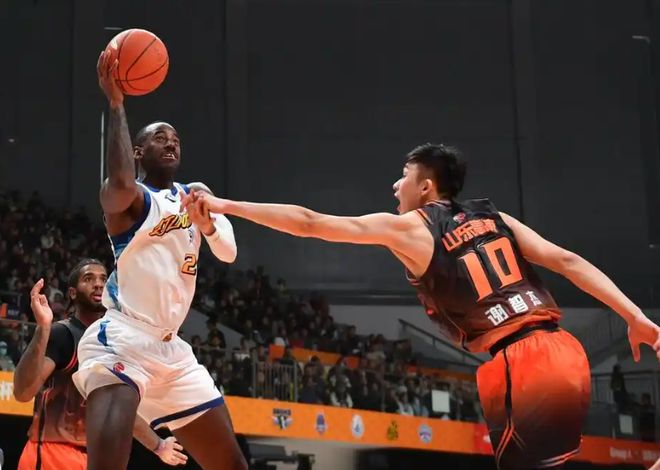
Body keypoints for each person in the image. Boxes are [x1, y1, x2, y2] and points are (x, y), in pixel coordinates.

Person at [185, 143, 660, 469]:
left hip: (524, 361)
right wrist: (633, 316)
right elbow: (568, 261)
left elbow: (310, 223)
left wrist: (225, 205)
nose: (396, 186)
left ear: (427, 186)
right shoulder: (494, 216)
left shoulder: (412, 227)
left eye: (404, 177)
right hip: (558, 352)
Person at [71, 50, 247, 470]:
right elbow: (118, 181)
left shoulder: (195, 195)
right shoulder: (131, 200)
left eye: (176, 139)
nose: (171, 142)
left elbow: (228, 252)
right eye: (159, 138)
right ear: (137, 151)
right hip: (123, 340)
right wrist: (117, 103)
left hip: (173, 350)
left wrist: (207, 225)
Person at [14, 259, 187, 469]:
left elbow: (119, 409)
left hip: (93, 459)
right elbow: (23, 393)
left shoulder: (116, 343)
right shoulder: (63, 334)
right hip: (53, 452)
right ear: (72, 293)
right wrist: (43, 327)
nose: (98, 284)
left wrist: (158, 445)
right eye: (88, 279)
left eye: (103, 279)